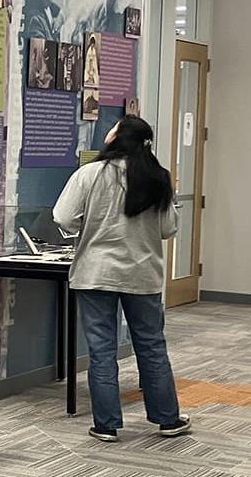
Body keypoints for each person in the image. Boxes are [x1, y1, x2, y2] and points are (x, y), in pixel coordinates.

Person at [52, 115, 190, 442]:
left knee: (101, 350)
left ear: (118, 138)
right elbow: (169, 228)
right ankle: (167, 419)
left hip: (96, 273)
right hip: (142, 275)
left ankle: (107, 425)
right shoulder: (158, 178)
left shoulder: (90, 174)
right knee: (152, 346)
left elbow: (63, 218)